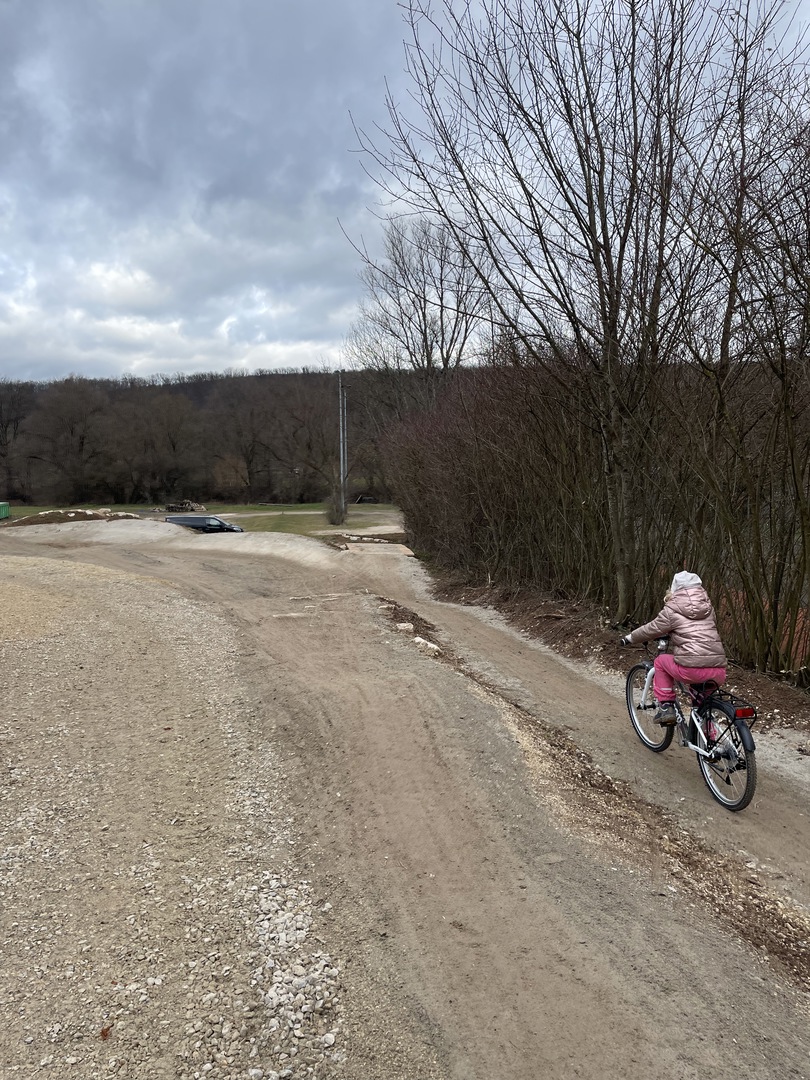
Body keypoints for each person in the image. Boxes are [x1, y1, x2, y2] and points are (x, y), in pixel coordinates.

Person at [620, 571, 726, 725]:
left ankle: (666, 707)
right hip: (718, 670)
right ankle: (709, 741)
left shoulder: (672, 609)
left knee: (661, 661)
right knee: (703, 707)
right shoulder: (708, 608)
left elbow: (651, 629)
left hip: (691, 669)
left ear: (675, 589)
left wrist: (630, 638)